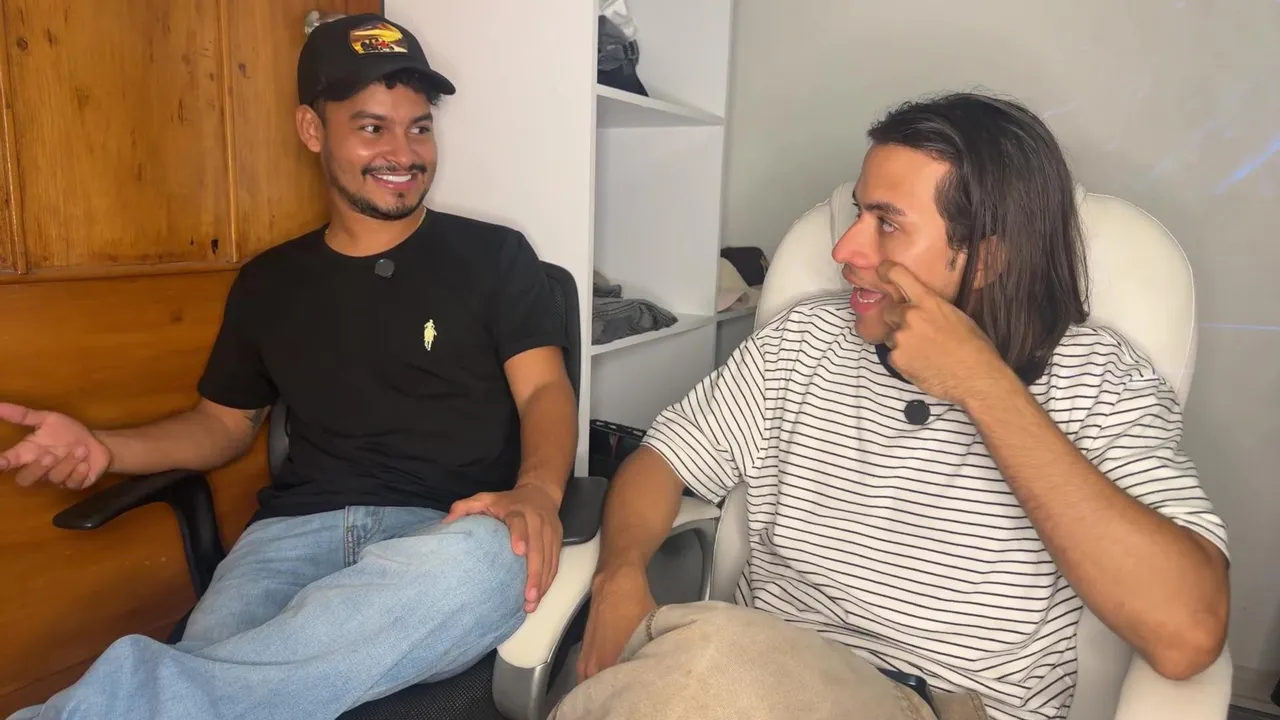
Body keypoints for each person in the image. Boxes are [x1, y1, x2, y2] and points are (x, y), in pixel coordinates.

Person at [560, 93, 1230, 720]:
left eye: (886, 223)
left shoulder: (1098, 379)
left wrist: (983, 386)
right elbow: (663, 460)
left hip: (937, 702)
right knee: (697, 667)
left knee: (696, 667)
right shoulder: (805, 340)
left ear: (988, 259)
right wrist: (620, 575)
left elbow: (1188, 635)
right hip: (760, 669)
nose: (844, 250)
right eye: (858, 213)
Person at [0, 14, 577, 720]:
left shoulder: (495, 256)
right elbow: (221, 426)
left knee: (488, 565)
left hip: (447, 533)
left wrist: (537, 492)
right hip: (290, 540)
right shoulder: (269, 283)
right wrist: (104, 448)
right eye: (372, 127)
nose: (403, 152)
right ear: (312, 128)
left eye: (419, 128)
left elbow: (544, 389)